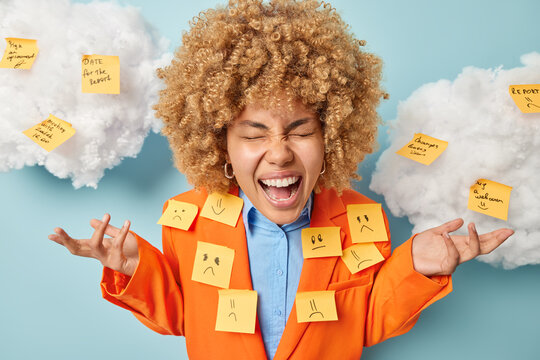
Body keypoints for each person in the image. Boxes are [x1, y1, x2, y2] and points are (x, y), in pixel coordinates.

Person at [48, 0, 514, 359]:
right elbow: (181, 317)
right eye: (253, 134)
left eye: (301, 130)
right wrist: (133, 267)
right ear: (219, 143)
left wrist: (415, 265)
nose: (279, 152)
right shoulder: (186, 220)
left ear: (332, 134)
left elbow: (366, 321)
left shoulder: (359, 219)